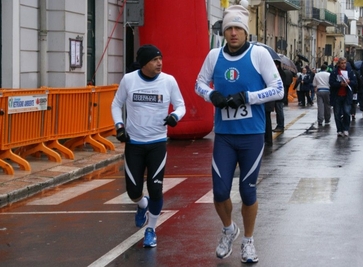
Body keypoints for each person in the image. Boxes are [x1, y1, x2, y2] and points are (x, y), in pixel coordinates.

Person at [195, 5, 284, 263]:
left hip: (252, 135)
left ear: (245, 31)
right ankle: (228, 230)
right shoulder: (214, 56)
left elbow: (277, 89)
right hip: (224, 135)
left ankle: (248, 241)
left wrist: (247, 97)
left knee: (247, 191)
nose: (233, 33)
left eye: (238, 28)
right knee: (220, 191)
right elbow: (198, 83)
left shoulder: (259, 55)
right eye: (229, 29)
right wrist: (212, 95)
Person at [111, 44, 186, 247]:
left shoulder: (168, 81)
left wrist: (174, 116)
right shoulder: (129, 80)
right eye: (154, 60)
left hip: (157, 143)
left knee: (155, 189)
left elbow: (181, 105)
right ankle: (142, 205)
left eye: (160, 58)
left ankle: (151, 229)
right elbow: (116, 104)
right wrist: (119, 126)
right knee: (133, 191)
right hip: (134, 143)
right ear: (144, 63)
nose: (159, 63)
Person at [329, 57, 357, 137]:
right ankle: (339, 130)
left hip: (347, 95)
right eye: (342, 63)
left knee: (346, 112)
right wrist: (339, 84)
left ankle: (345, 129)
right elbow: (331, 82)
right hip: (337, 95)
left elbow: (355, 82)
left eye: (345, 63)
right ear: (338, 64)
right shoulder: (334, 72)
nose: (343, 65)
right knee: (337, 114)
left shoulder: (350, 71)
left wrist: (349, 82)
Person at [273, 60, 286, 132]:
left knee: (279, 111)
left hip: (279, 95)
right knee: (278, 111)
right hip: (278, 95)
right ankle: (279, 125)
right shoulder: (278, 73)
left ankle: (281, 126)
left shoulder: (280, 73)